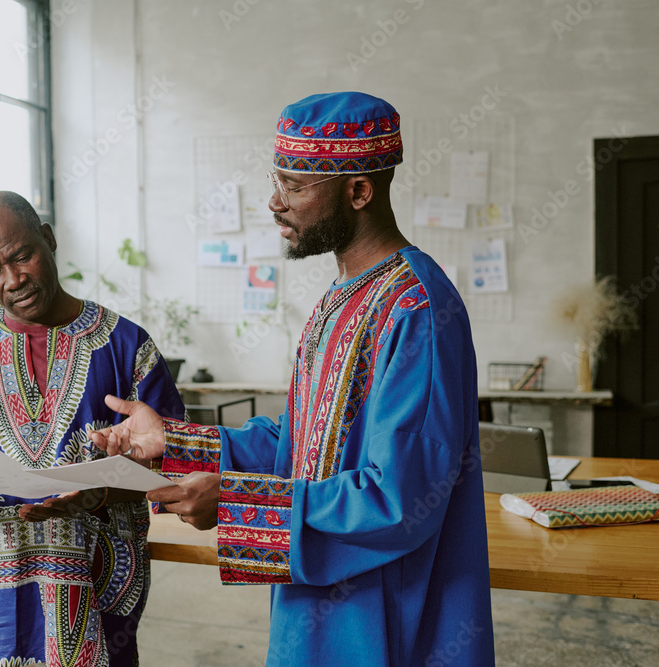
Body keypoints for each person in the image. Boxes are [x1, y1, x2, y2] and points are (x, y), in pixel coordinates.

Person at [91, 92, 496, 666]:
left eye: (297, 186)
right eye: (275, 180)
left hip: (380, 619)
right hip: (312, 607)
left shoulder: (416, 310)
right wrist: (174, 442)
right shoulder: (341, 297)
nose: (275, 202)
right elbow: (302, 440)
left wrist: (234, 504)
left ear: (359, 191)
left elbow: (399, 500)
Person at [0, 191, 184, 666]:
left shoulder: (126, 346)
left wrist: (102, 493)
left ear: (48, 239)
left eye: (22, 256)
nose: (13, 280)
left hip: (92, 587)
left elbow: (175, 468)